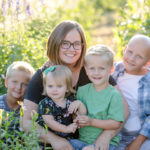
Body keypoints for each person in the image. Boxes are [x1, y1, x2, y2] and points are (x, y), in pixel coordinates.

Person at [21, 20, 129, 150]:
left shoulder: (92, 70)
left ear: (83, 46)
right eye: (65, 44)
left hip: (91, 143)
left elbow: (124, 110)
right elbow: (26, 122)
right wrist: (56, 140)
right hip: (55, 144)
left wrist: (107, 135)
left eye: (76, 44)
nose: (71, 49)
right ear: (55, 44)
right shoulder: (44, 75)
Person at [69, 44, 124, 150]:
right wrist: (77, 118)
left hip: (106, 145)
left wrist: (91, 122)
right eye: (92, 68)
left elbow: (115, 123)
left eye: (101, 68)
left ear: (111, 70)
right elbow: (77, 117)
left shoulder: (114, 95)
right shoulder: (82, 90)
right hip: (82, 141)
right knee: (65, 144)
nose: (96, 73)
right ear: (86, 70)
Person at [113, 34, 150, 150]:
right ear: (124, 50)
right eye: (130, 52)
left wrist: (138, 142)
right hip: (115, 133)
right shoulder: (116, 70)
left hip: (139, 135)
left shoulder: (148, 81)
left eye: (139, 56)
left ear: (147, 62)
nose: (132, 58)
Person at [37, 65, 86, 147]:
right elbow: (49, 122)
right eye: (50, 86)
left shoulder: (70, 101)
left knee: (84, 146)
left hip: (69, 140)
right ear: (45, 87)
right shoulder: (45, 103)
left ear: (67, 88)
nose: (54, 89)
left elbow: (82, 115)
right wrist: (66, 129)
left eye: (59, 86)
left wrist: (79, 104)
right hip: (49, 142)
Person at [0, 61, 35, 141]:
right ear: (6, 82)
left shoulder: (29, 108)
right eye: (15, 82)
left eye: (24, 84)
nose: (19, 87)